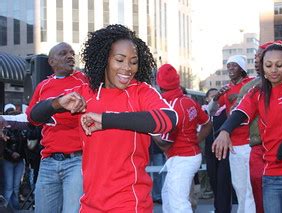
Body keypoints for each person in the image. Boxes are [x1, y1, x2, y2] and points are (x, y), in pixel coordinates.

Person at [29, 24, 177, 212]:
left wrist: (106, 120)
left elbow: (169, 120)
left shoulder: (141, 91)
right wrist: (57, 103)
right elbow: (34, 117)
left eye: (133, 61)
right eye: (120, 60)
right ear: (104, 57)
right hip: (90, 205)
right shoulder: (86, 93)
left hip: (129, 204)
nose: (127, 68)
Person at [212, 43, 282, 213]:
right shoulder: (257, 92)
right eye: (268, 65)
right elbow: (240, 111)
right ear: (262, 67)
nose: (273, 70)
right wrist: (225, 130)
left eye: (279, 65)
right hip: (273, 171)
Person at [25, 42, 87, 213]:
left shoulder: (84, 81)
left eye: (72, 53)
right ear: (51, 62)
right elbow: (32, 118)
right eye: (63, 53)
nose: (70, 56)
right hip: (48, 161)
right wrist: (56, 105)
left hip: (77, 161)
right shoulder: (42, 86)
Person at [153, 63, 212, 213]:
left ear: (160, 85)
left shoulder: (171, 107)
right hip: (188, 156)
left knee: (179, 203)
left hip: (182, 159)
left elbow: (164, 145)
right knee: (168, 196)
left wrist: (150, 130)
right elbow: (207, 124)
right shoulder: (188, 101)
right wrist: (193, 142)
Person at [234, 40, 282, 213]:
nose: (256, 60)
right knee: (258, 196)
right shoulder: (251, 88)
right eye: (256, 56)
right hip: (258, 149)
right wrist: (225, 130)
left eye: (260, 55)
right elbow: (238, 114)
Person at [208, 55, 255, 213]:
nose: (230, 69)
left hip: (250, 142)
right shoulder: (226, 88)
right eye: (228, 66)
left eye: (234, 66)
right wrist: (216, 98)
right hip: (234, 144)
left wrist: (241, 98)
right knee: (240, 188)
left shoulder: (251, 84)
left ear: (242, 68)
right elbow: (211, 111)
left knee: (251, 189)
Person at [202, 88, 232, 213]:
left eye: (218, 95)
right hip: (209, 152)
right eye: (213, 96)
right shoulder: (204, 111)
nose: (216, 97)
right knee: (213, 181)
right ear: (207, 99)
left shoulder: (226, 111)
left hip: (224, 151)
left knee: (223, 182)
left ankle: (223, 209)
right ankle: (218, 208)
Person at [1, 104, 25, 210]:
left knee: (15, 188)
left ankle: (15, 209)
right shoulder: (4, 128)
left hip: (19, 160)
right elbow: (4, 145)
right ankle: (7, 209)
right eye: (10, 113)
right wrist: (11, 153)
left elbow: (24, 144)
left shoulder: (21, 129)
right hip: (8, 160)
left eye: (15, 113)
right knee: (9, 188)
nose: (13, 115)